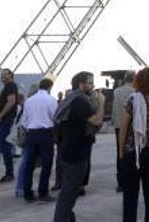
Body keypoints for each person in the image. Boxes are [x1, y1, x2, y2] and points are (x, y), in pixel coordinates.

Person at [53, 71, 105, 222]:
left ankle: (68, 217)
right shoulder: (79, 101)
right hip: (76, 152)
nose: (92, 85)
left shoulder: (72, 98)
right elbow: (96, 121)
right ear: (80, 84)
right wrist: (101, 102)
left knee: (69, 190)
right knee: (69, 193)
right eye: (89, 82)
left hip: (69, 149)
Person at [118, 67, 149, 222]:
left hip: (133, 153)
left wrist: (120, 151)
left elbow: (123, 129)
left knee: (130, 197)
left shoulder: (133, 100)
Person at [18, 78, 58, 202]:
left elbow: (24, 121)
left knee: (29, 165)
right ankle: (43, 192)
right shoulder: (51, 100)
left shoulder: (29, 101)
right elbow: (55, 117)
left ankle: (27, 193)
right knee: (46, 164)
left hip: (31, 134)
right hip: (46, 134)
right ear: (50, 87)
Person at [112, 70, 135, 192]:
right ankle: (130, 179)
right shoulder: (135, 93)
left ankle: (120, 182)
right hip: (130, 127)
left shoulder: (116, 91)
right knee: (131, 152)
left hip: (118, 125)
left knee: (120, 152)